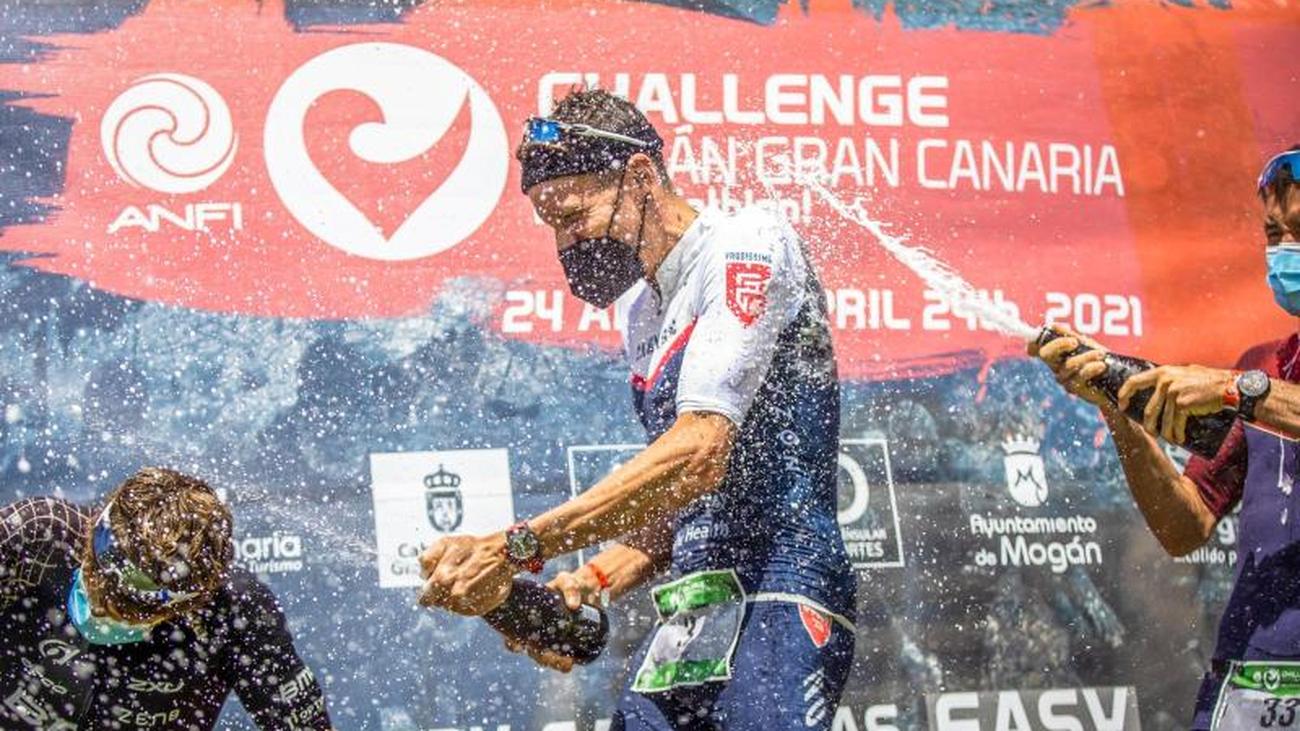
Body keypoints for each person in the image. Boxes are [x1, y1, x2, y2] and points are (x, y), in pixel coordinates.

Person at [418, 88, 857, 730]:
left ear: (641, 176)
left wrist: (516, 547)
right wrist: (592, 581)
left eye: (574, 216)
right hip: (696, 605)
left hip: (783, 578)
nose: (567, 242)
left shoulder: (746, 240)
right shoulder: (643, 312)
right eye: (552, 226)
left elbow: (698, 454)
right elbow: (679, 503)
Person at [1032, 145, 1300, 729]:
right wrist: (1119, 409)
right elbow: (1184, 526)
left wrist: (1236, 390)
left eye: (1298, 231)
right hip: (1248, 681)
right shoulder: (1264, 365)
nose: (1285, 249)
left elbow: (1249, 394)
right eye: (1273, 233)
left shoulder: (1251, 384)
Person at [0, 467, 333, 730]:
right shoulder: (39, 535)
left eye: (122, 611)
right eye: (95, 575)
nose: (98, 606)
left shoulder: (231, 612)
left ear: (183, 605)